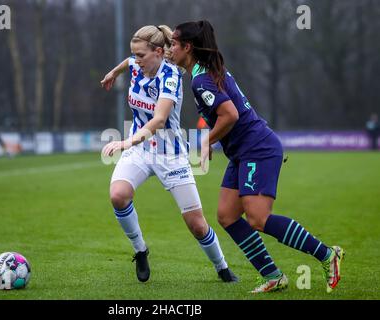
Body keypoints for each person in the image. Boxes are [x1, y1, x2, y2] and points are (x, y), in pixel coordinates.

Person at [170, 20, 345, 293]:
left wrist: (206, 141)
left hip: (257, 149)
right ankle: (273, 276)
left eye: (173, 44)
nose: (170, 49)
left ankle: (326, 254)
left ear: (187, 47)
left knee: (258, 218)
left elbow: (230, 114)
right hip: (243, 152)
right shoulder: (204, 72)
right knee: (227, 216)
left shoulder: (202, 79)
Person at [100, 25, 238, 283]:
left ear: (159, 52)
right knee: (118, 195)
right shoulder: (136, 64)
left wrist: (125, 143)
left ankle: (222, 267)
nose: (136, 60)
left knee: (197, 224)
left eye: (141, 55)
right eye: (134, 54)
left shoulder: (171, 76)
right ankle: (141, 250)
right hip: (140, 150)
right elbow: (127, 62)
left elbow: (159, 120)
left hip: (169, 153)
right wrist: (113, 73)